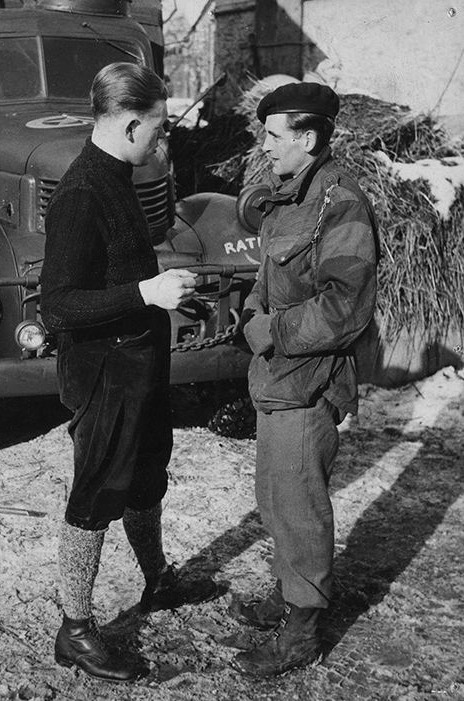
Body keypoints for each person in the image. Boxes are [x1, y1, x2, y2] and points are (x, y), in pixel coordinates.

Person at [40, 62, 216, 683]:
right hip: (104, 372)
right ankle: (75, 627)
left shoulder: (117, 178)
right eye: (161, 129)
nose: (163, 141)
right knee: (95, 493)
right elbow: (57, 305)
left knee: (146, 478)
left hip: (138, 365)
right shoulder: (83, 191)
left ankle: (157, 580)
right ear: (133, 122)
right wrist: (147, 290)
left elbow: (116, 276)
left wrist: (162, 288)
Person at [231, 82, 379, 677]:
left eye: (273, 135)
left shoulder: (338, 202)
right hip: (278, 379)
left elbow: (346, 306)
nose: (265, 147)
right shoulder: (290, 196)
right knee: (275, 499)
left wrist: (272, 331)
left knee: (298, 506)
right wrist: (251, 310)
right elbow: (277, 273)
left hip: (308, 379)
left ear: (308, 137)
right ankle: (288, 592)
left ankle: (302, 631)